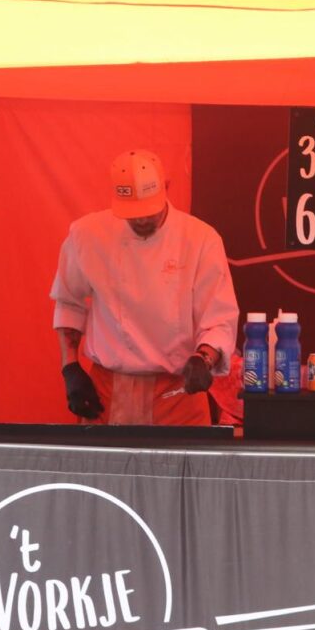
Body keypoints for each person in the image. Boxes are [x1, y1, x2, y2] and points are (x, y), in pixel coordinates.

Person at [50, 149, 239, 425]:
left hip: (178, 393)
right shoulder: (87, 235)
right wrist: (70, 368)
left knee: (185, 456)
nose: (141, 220)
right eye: (132, 213)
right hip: (107, 391)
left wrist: (204, 359)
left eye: (149, 211)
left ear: (166, 187)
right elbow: (69, 303)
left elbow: (219, 319)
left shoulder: (201, 239)